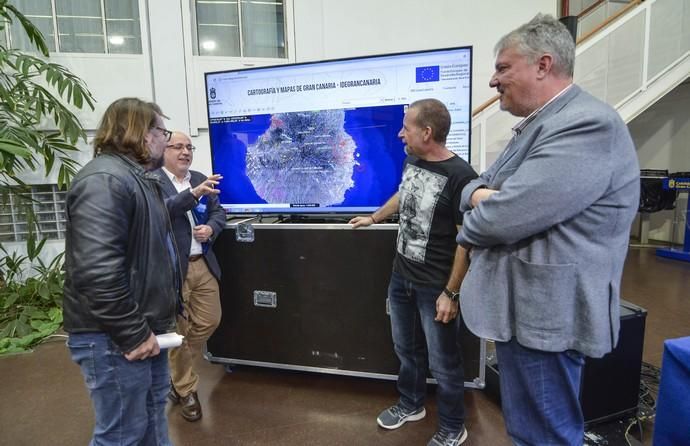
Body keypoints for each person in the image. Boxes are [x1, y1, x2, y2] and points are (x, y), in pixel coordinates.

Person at [456, 14, 640, 445]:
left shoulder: (585, 125)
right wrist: (482, 196)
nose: (492, 81)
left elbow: (499, 217)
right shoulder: (540, 125)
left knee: (546, 436)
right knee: (528, 430)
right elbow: (470, 187)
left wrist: (484, 203)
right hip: (526, 314)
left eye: (503, 68)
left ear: (543, 65)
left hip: (546, 317)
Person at [350, 98, 477, 446]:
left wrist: (451, 293)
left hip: (435, 286)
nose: (399, 133)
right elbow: (404, 194)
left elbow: (467, 240)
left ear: (427, 131)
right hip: (401, 277)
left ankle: (453, 426)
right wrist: (375, 217)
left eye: (406, 127)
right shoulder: (413, 160)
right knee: (405, 348)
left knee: (444, 361)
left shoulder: (462, 176)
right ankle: (411, 404)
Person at [63, 97, 181, 445]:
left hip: (143, 330)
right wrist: (132, 333)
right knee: (121, 435)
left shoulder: (137, 180)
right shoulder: (105, 181)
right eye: (163, 131)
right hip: (115, 337)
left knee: (149, 421)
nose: (166, 140)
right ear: (142, 134)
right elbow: (97, 272)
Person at [153, 131, 225, 422]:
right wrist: (193, 195)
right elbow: (160, 214)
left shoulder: (199, 176)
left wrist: (211, 229)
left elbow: (219, 213)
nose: (185, 152)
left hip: (203, 263)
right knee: (179, 331)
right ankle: (187, 390)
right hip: (173, 268)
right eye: (178, 146)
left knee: (210, 320)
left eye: (189, 147)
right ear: (163, 151)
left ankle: (177, 373)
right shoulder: (153, 182)